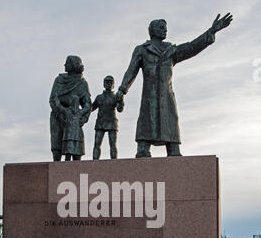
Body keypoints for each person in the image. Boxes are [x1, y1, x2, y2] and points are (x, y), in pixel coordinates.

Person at [117, 13, 233, 158]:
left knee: (171, 129)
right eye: (161, 27)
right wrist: (122, 90)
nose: (165, 30)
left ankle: (173, 150)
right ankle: (143, 149)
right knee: (146, 127)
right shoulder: (141, 49)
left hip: (166, 95)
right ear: (152, 30)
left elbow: (191, 47)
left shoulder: (171, 50)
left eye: (165, 28)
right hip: (149, 96)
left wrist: (212, 31)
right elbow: (131, 71)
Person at [49, 55, 91, 161]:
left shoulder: (82, 83)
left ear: (73, 65)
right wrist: (60, 114)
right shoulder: (59, 80)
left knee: (75, 146)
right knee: (57, 144)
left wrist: (83, 118)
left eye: (67, 63)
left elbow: (87, 104)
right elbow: (53, 99)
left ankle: (75, 173)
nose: (65, 65)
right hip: (58, 115)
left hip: (74, 117)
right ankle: (56, 171)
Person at [92, 76, 124, 160]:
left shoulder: (115, 97)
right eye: (106, 82)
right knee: (97, 144)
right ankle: (94, 164)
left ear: (113, 85)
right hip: (100, 122)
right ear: (103, 84)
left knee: (113, 145)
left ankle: (114, 164)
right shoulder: (99, 97)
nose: (108, 84)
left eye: (110, 82)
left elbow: (120, 109)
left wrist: (121, 100)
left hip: (112, 122)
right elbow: (91, 108)